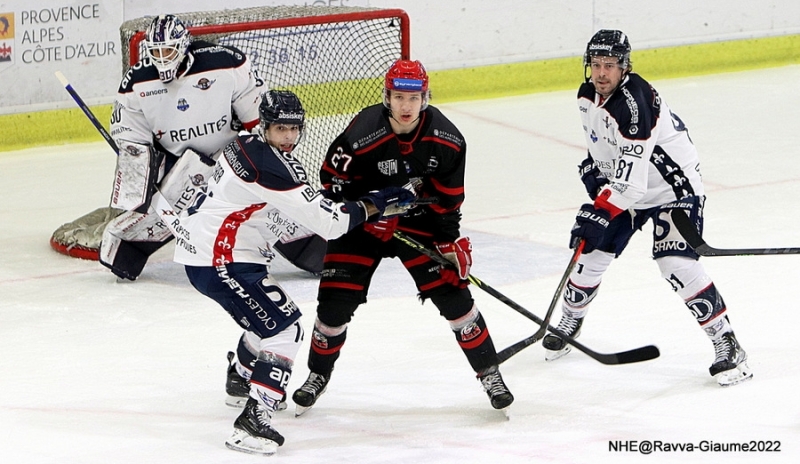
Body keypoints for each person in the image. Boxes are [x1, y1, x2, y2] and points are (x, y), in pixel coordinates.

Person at [172, 89, 415, 455]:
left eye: (294, 129)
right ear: (265, 126)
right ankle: (254, 420)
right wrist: (377, 203)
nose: (288, 136)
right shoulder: (269, 166)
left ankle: (240, 378)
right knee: (285, 327)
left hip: (212, 250)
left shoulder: (244, 145)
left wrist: (346, 204)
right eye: (280, 128)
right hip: (220, 257)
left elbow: (293, 203)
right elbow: (330, 225)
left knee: (267, 320)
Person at [290, 59, 515, 416]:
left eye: (413, 98)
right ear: (387, 97)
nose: (405, 106)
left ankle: (490, 374)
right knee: (334, 306)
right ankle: (317, 376)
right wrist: (365, 210)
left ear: (425, 97)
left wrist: (447, 241)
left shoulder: (448, 139)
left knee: (454, 296)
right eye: (398, 97)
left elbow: (448, 200)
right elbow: (331, 185)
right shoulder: (363, 132)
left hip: (417, 223)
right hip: (364, 225)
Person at [542, 29, 753, 387]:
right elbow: (605, 150)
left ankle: (726, 342)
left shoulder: (637, 104)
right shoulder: (586, 95)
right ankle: (570, 319)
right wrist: (596, 176)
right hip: (628, 187)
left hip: (673, 190)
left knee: (675, 262)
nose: (602, 73)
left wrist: (601, 209)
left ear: (624, 67)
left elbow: (633, 183)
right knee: (589, 252)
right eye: (596, 64)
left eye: (610, 65)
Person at [49, 13, 324, 279]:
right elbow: (133, 145)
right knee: (130, 239)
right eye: (155, 53)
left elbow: (256, 120)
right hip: (179, 163)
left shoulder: (225, 63)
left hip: (232, 155)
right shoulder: (137, 81)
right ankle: (128, 250)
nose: (161, 60)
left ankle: (321, 252)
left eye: (167, 52)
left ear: (182, 46)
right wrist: (141, 187)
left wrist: (270, 169)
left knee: (269, 207)